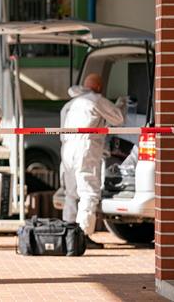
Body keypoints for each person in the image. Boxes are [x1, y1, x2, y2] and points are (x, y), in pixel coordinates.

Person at [60, 73, 125, 248]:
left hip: (67, 148)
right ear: (98, 88)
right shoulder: (95, 100)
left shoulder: (69, 104)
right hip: (85, 148)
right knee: (88, 192)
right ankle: (83, 235)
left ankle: (68, 235)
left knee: (71, 193)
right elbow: (118, 118)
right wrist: (121, 104)